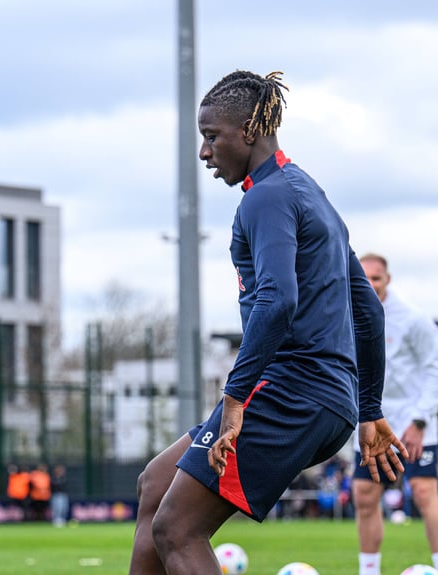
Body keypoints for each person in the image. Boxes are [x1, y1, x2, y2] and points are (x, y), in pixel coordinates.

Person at [126, 70, 407, 575]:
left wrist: (234, 400)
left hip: (291, 392)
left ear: (249, 131)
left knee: (177, 530)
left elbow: (277, 301)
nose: (204, 152)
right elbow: (367, 312)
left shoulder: (265, 197)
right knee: (155, 485)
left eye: (212, 137)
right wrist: (368, 409)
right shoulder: (309, 192)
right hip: (326, 399)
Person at [353, 253, 438, 575]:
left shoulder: (413, 319)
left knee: (425, 492)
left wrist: (421, 420)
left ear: (388, 280)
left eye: (376, 278)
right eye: (363, 277)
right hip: (371, 421)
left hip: (414, 421)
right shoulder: (346, 316)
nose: (369, 284)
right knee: (365, 496)